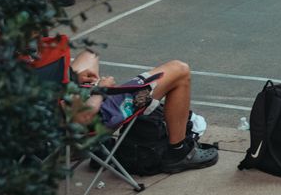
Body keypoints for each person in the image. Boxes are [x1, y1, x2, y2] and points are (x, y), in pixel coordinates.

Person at [71, 51, 219, 172]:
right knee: (180, 70)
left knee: (89, 55)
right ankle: (179, 152)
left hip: (72, 107)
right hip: (89, 121)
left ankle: (101, 148)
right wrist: (100, 90)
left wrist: (74, 81)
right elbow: (83, 117)